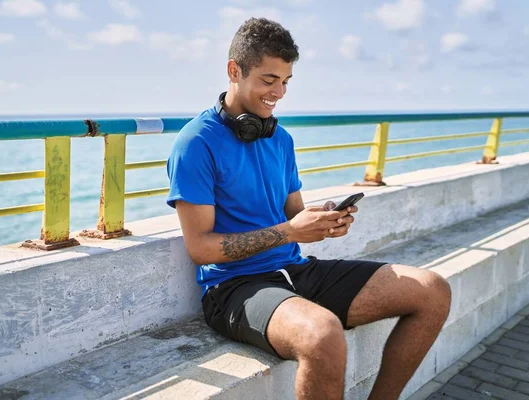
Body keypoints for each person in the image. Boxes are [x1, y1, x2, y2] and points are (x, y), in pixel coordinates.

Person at [166, 17, 452, 400]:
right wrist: (289, 232)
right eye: (269, 80)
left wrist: (324, 221)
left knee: (432, 290)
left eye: (285, 82)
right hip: (234, 287)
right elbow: (200, 248)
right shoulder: (195, 143)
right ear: (234, 71)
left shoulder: (280, 138)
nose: (279, 93)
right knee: (323, 334)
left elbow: (292, 214)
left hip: (294, 270)